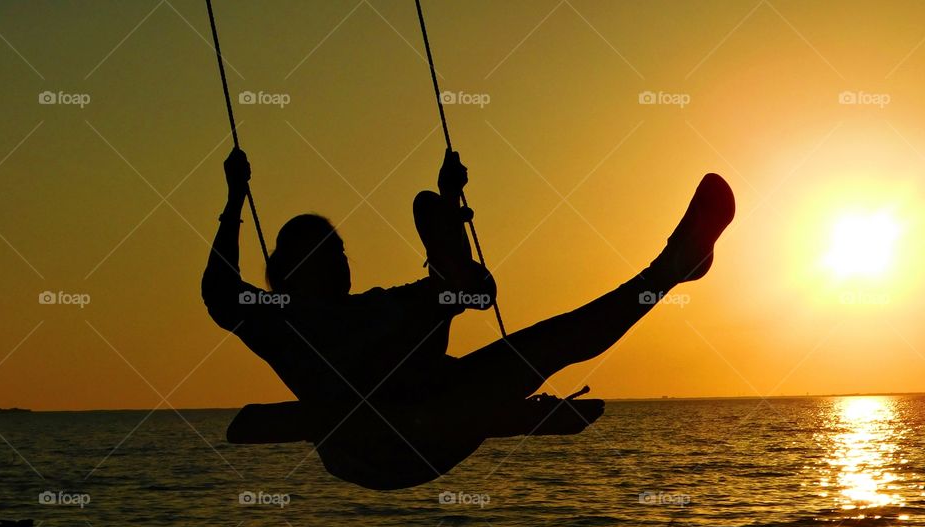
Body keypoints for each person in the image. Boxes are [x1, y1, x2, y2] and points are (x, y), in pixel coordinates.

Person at [203, 148, 734, 488]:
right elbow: (220, 292)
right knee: (441, 304)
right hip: (367, 449)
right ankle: (450, 268)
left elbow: (482, 297)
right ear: (285, 272)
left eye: (338, 250)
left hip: (439, 412)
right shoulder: (280, 319)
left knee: (554, 337)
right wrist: (232, 204)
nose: (336, 260)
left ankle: (669, 269)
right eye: (320, 252)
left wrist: (453, 209)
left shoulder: (380, 305)